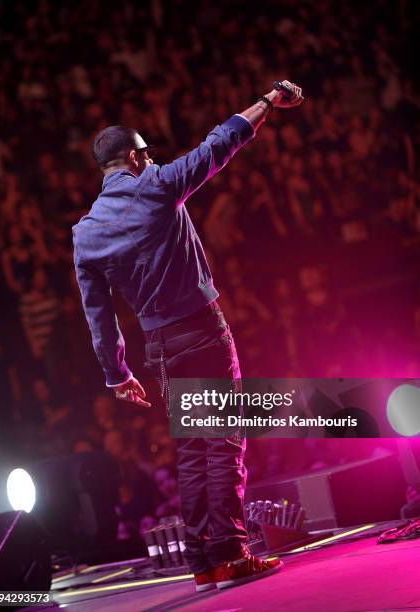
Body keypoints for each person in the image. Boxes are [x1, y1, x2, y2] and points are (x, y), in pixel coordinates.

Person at [73, 79, 303, 590]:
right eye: (146, 153)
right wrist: (268, 102)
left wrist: (117, 373)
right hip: (201, 330)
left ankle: (204, 560)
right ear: (133, 160)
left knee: (193, 448)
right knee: (220, 442)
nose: (151, 159)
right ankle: (230, 551)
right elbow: (219, 144)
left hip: (158, 348)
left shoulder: (86, 231)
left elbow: (98, 315)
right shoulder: (156, 186)